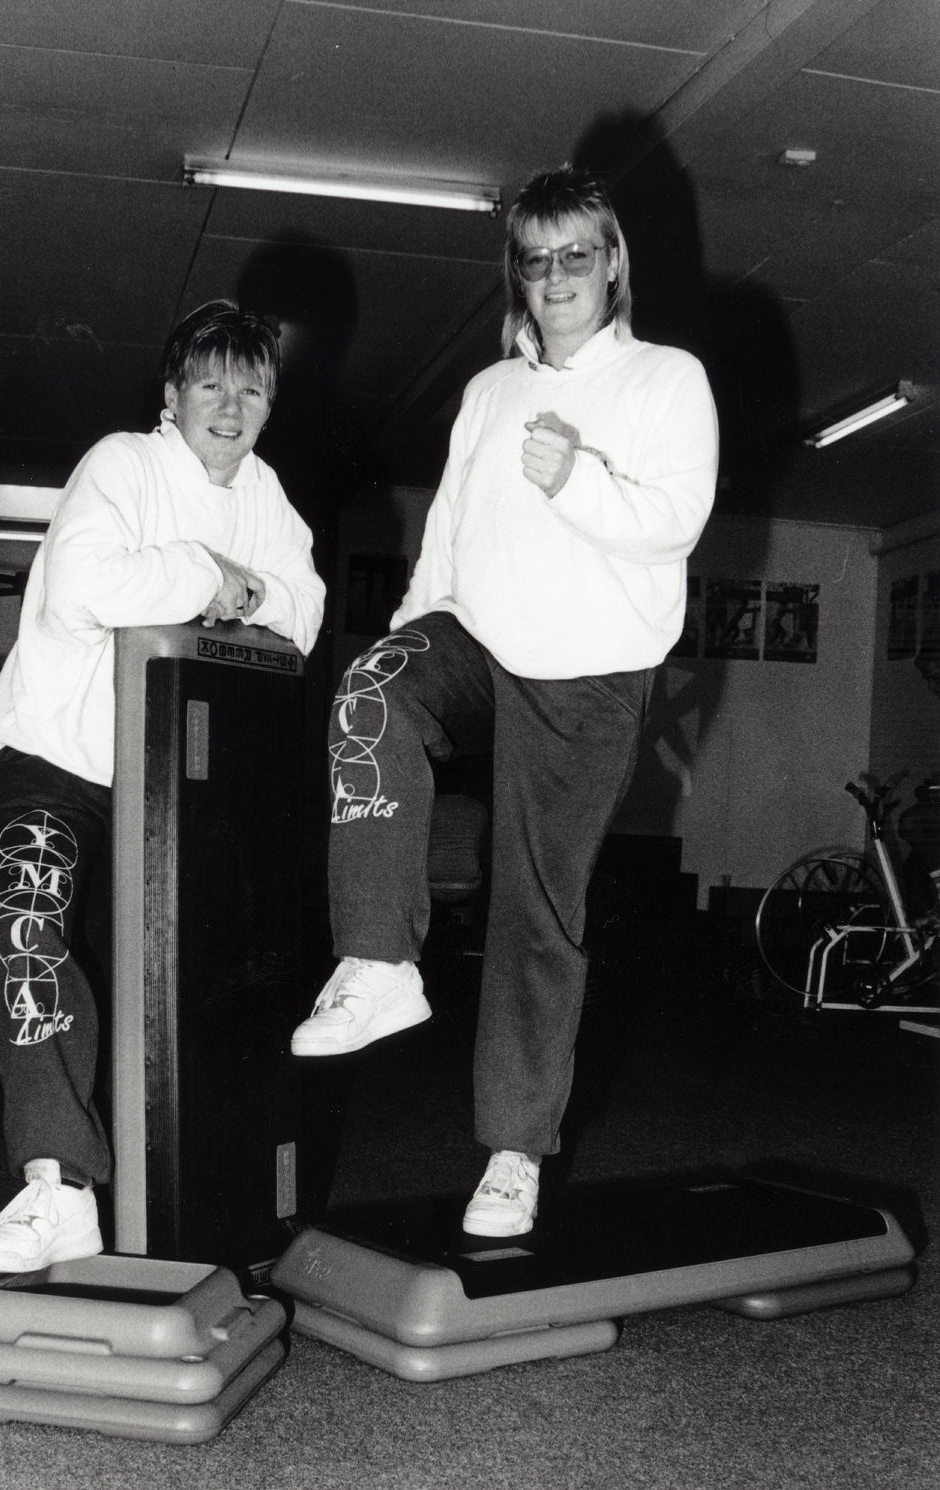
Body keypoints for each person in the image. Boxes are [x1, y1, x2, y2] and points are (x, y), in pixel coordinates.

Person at [290, 166, 719, 1238]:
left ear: (612, 261)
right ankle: (379, 959)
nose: (557, 274)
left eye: (578, 252)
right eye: (536, 258)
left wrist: (572, 475)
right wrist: (404, 627)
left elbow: (674, 520)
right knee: (368, 691)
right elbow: (447, 538)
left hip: (588, 664)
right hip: (475, 636)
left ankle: (514, 1149)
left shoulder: (666, 380)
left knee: (535, 907)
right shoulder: (487, 393)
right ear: (516, 276)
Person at [0, 300, 325, 1272]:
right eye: (209, 382)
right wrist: (203, 572)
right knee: (28, 927)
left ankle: (198, 1201)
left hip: (168, 787)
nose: (229, 403)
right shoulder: (121, 465)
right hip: (55, 756)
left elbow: (301, 611)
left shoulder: (264, 493)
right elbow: (89, 585)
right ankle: (56, 1186)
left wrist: (240, 587)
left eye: (249, 387)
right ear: (172, 395)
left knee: (182, 986)